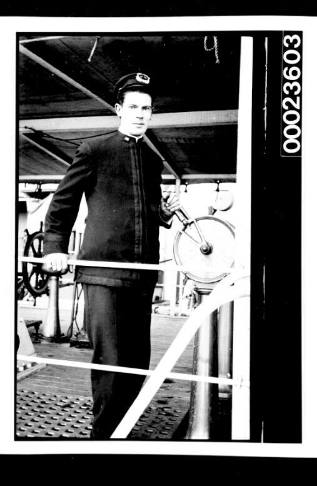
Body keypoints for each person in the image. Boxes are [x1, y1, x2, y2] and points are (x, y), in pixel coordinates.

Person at [43, 72, 180, 439]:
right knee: (111, 362)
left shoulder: (152, 161)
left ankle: (125, 432)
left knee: (137, 363)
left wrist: (163, 215)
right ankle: (102, 439)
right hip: (103, 274)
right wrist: (54, 249)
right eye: (133, 107)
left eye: (146, 108)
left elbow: (141, 211)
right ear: (119, 109)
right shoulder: (94, 149)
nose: (140, 113)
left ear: (152, 113)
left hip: (141, 274)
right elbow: (62, 205)